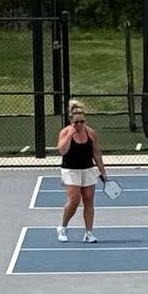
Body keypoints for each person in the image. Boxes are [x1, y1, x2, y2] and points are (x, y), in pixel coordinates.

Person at [56, 100, 108, 242]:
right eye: (76, 122)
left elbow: (96, 153)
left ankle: (89, 233)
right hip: (70, 170)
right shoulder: (65, 133)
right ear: (71, 121)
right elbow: (62, 150)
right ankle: (63, 227)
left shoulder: (91, 133)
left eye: (82, 122)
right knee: (74, 199)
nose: (79, 125)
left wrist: (103, 172)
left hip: (88, 169)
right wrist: (70, 135)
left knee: (88, 200)